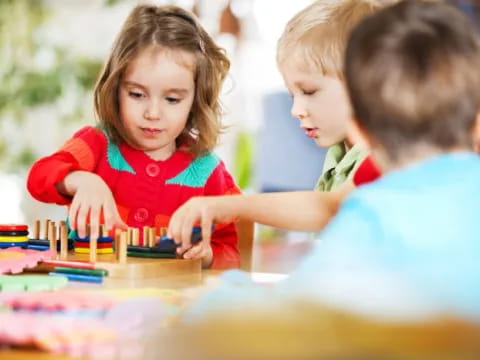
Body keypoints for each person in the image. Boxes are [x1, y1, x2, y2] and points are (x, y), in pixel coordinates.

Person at [187, 0, 480, 321]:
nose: (295, 109)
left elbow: (306, 302)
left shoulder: (371, 210)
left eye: (309, 91)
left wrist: (218, 298)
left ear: (361, 125)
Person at [27, 4, 241, 269]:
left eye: (172, 99)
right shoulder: (98, 144)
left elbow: (231, 253)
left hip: (167, 302)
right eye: (137, 94)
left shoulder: (208, 172)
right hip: (91, 294)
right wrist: (81, 180)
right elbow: (38, 177)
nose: (152, 113)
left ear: (196, 100)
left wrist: (207, 255)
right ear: (115, 89)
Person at [167, 0, 391, 247]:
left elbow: (328, 209)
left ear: (364, 84)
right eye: (293, 95)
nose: (296, 110)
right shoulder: (341, 155)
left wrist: (228, 204)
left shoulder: (389, 155)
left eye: (309, 91)